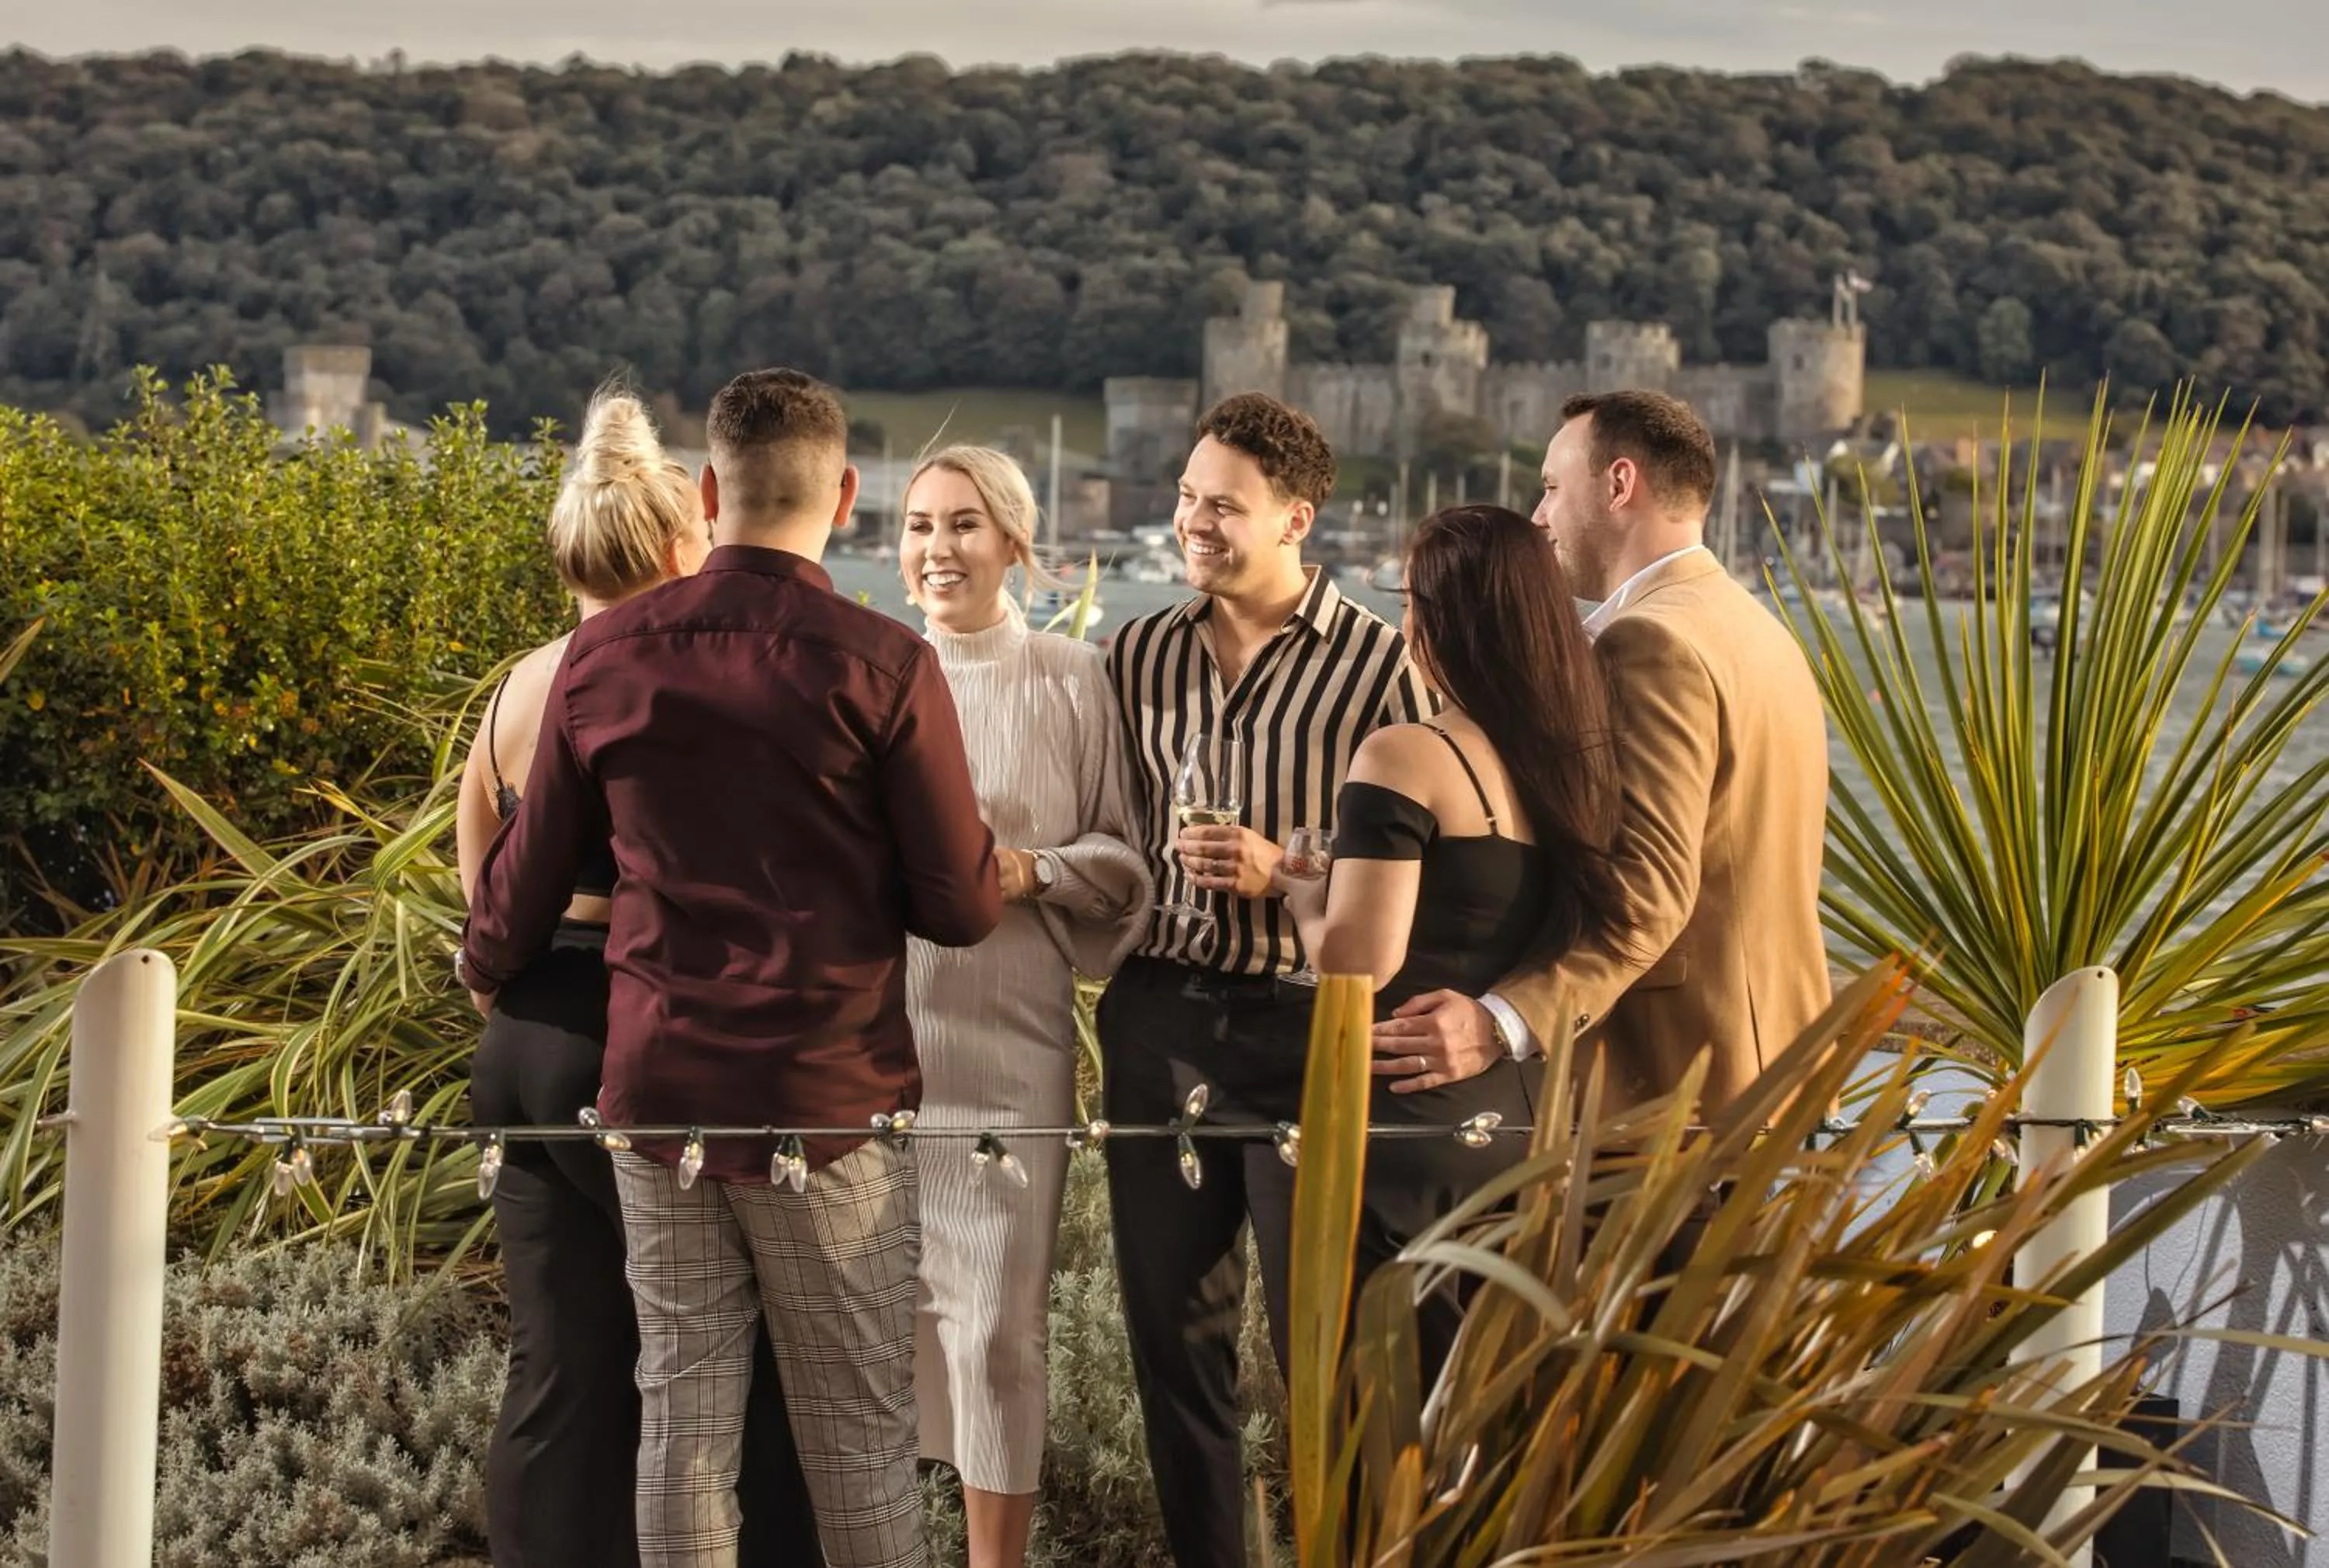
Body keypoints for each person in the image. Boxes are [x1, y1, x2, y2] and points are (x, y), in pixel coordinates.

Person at [461, 368, 1001, 1568]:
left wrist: (490, 971)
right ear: (849, 494)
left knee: (684, 1427)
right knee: (858, 1438)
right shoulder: (886, 665)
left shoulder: (603, 658)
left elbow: (516, 890)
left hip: (656, 1097)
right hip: (828, 1101)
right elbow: (963, 909)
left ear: (707, 490)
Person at [452, 388, 810, 1568]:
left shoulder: (513, 689)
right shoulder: (664, 684)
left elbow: (482, 891)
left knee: (556, 1366)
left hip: (519, 1044)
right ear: (676, 544)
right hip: (638, 1030)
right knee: (723, 1355)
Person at [1102, 392, 1432, 1568]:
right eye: (1189, 499)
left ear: (1296, 518)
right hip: (1156, 1018)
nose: (1195, 522)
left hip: (1308, 1026)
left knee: (1326, 1348)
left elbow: (1425, 861)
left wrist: (1280, 865)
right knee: (1172, 1343)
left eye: (1222, 506)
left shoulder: (1387, 671)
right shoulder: (1134, 653)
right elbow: (1114, 834)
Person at [1373, 390, 1831, 1153]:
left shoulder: (1648, 644)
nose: (1540, 516)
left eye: (1552, 487)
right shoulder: (1754, 628)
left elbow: (1650, 892)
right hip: (1776, 1070)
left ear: (1619, 484)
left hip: (1675, 1089)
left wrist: (1502, 1022)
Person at [1269, 503, 1629, 1373]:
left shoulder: (1405, 755)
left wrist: (1298, 887)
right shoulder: (1577, 767)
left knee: (1372, 1424)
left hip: (1400, 1128)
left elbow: (1358, 958)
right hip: (1518, 1128)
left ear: (1442, 621)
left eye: (1409, 603)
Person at [896, 445, 1152, 1568]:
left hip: (1011, 1056)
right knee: (877, 1336)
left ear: (1013, 541)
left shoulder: (1070, 676)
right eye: (917, 526)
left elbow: (1125, 864)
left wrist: (1032, 870)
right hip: (876, 1049)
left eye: (962, 525)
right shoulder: (873, 671)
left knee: (1000, 1332)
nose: (937, 549)